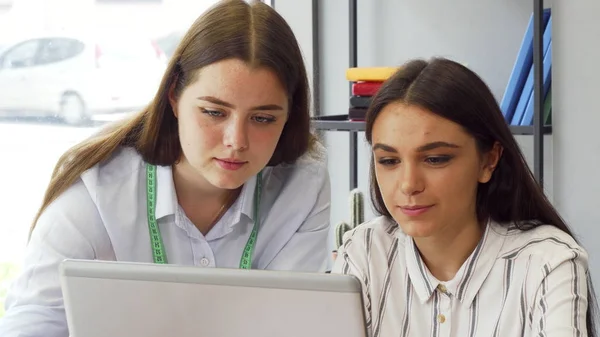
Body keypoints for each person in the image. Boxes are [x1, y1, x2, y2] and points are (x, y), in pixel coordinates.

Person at [0, 1, 331, 336]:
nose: (236, 141)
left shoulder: (304, 183)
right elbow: (35, 319)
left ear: (289, 115)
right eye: (214, 113)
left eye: (263, 118)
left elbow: (294, 323)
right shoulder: (97, 190)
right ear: (174, 96)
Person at [332, 57, 597, 337]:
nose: (409, 184)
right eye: (388, 160)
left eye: (435, 159)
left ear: (488, 161)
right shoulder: (362, 252)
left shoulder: (548, 262)